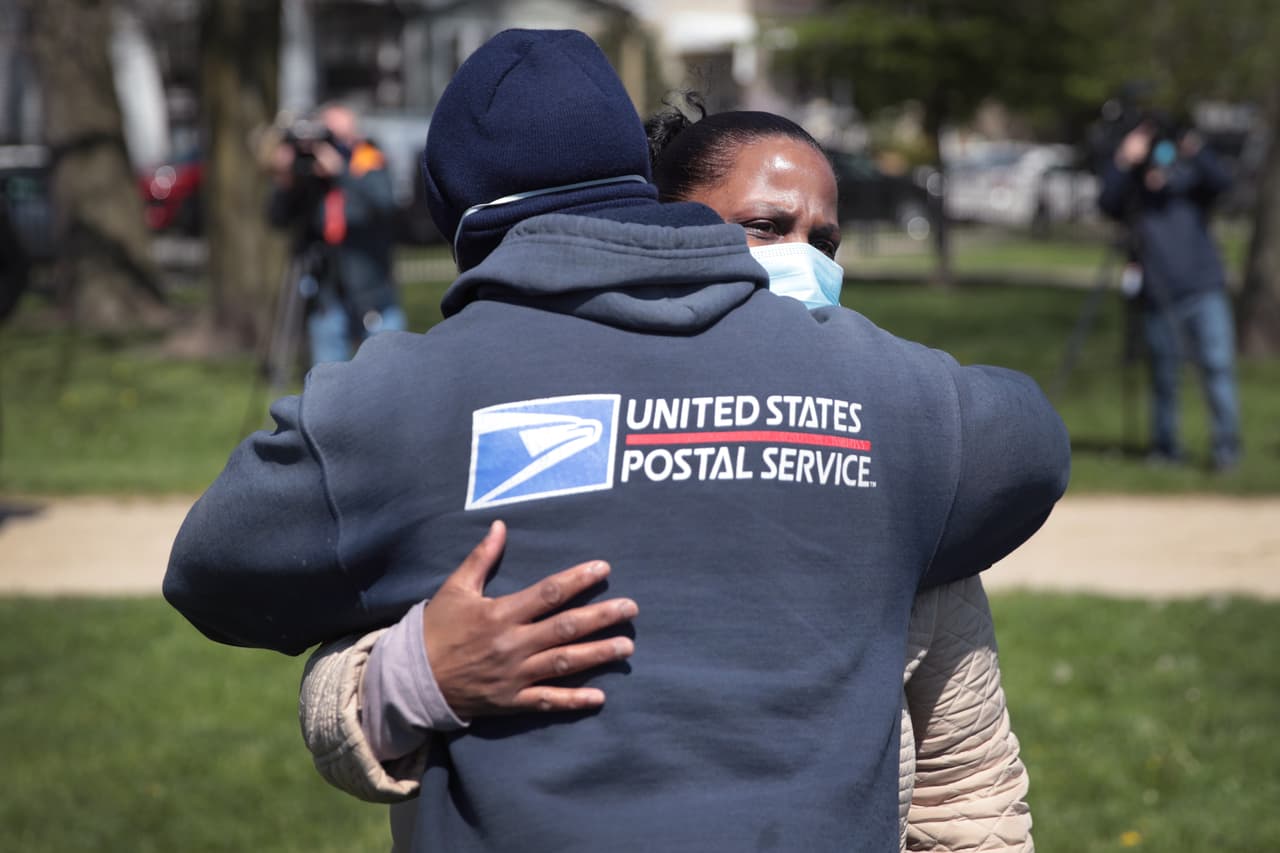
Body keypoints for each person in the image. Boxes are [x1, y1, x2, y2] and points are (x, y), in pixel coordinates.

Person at [165, 29, 1069, 852]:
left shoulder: (405, 400)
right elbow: (1030, 446)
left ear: (459, 221)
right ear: (648, 191)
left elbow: (215, 565)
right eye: (767, 226)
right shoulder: (887, 395)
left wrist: (406, 670)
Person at [1098, 118, 1240, 470]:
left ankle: (1227, 450)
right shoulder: (1133, 188)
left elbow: (1224, 183)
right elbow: (1106, 203)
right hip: (1158, 294)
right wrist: (1123, 160)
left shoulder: (1191, 180)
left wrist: (1195, 146)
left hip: (1205, 288)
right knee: (1164, 377)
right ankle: (1165, 448)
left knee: (1218, 369)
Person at [267, 104, 406, 366]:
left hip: (372, 287)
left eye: (337, 137)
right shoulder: (310, 175)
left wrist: (341, 172)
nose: (328, 146)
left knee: (388, 371)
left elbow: (385, 202)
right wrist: (285, 177)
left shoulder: (369, 159)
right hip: (326, 292)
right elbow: (278, 218)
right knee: (328, 375)